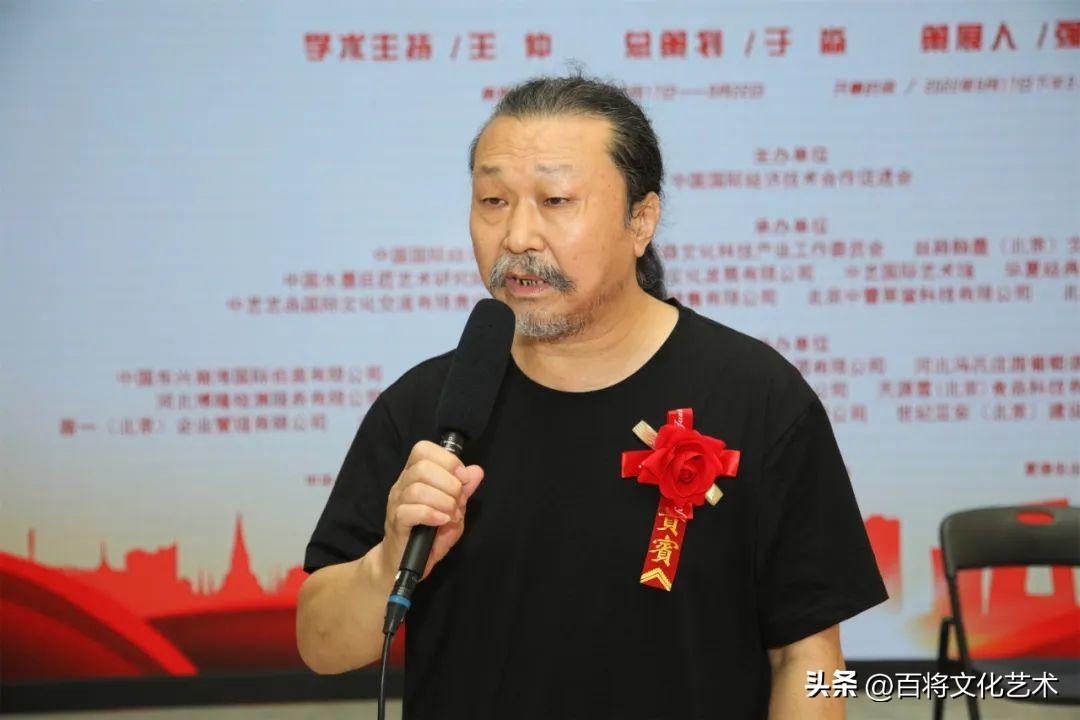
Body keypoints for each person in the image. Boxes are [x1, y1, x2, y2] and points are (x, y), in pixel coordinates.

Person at [297, 74, 888, 719]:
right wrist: (388, 561)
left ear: (641, 220)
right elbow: (320, 645)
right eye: (493, 201)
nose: (518, 236)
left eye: (555, 200)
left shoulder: (760, 398)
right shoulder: (428, 410)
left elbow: (808, 659)